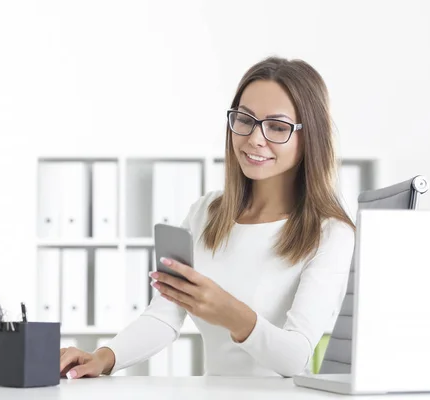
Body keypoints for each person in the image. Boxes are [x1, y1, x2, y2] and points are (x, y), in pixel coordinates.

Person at [59, 56, 355, 378]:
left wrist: (229, 311)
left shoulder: (330, 232)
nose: (256, 138)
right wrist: (104, 357)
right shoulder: (207, 213)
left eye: (277, 127)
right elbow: (163, 316)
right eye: (245, 119)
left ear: (310, 136)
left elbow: (294, 357)